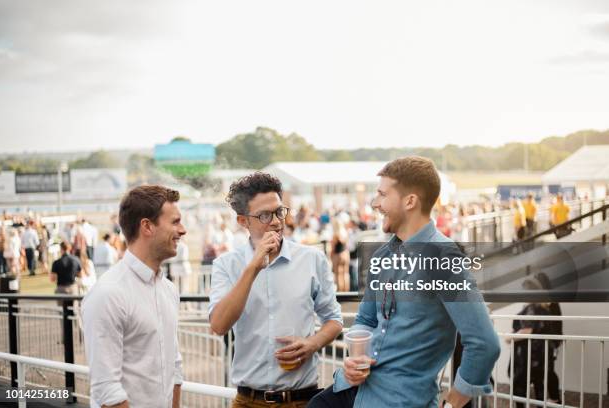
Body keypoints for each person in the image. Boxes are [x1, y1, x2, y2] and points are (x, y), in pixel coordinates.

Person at [308, 156, 501, 408]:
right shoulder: (381, 256)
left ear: (410, 201)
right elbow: (366, 321)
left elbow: (485, 343)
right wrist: (355, 358)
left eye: (382, 194)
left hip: (398, 401)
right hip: (351, 389)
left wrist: (452, 404)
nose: (375, 203)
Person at [209, 172, 343, 407]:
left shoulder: (312, 259)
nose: (276, 221)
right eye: (264, 215)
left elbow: (334, 319)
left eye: (279, 211)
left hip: (302, 398)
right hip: (248, 400)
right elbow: (219, 325)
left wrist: (312, 344)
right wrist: (253, 267)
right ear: (243, 221)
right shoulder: (226, 264)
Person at [82, 185, 186, 408]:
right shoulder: (107, 294)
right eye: (175, 221)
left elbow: (175, 367)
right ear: (147, 226)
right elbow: (107, 389)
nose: (183, 230)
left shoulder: (168, 290)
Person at [508, 273, 562, 407]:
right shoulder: (544, 307)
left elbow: (527, 330)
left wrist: (509, 337)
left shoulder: (531, 308)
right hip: (541, 357)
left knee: (519, 388)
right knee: (539, 387)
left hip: (527, 357)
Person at [331, 219, 350, 291]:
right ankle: (346, 290)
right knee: (345, 273)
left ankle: (341, 291)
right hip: (345, 253)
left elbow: (333, 248)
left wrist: (331, 256)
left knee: (338, 274)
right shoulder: (345, 232)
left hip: (338, 255)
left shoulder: (335, 234)